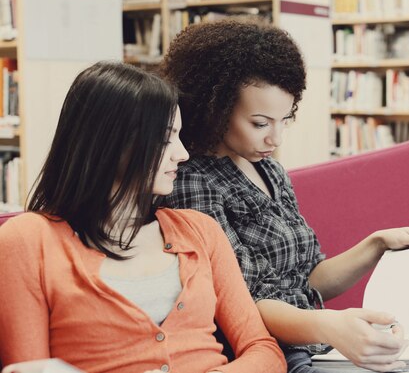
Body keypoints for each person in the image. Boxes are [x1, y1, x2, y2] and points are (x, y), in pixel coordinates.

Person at [161, 18, 409, 373]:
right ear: (214, 109)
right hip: (283, 353)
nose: (276, 138)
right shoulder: (193, 183)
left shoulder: (270, 171)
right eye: (260, 123)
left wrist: (376, 245)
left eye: (286, 120)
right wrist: (333, 328)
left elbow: (312, 278)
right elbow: (240, 306)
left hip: (324, 338)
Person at [0, 61, 286, 373]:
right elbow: (28, 369)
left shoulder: (199, 230)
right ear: (109, 143)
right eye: (166, 138)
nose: (182, 153)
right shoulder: (27, 240)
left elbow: (264, 351)